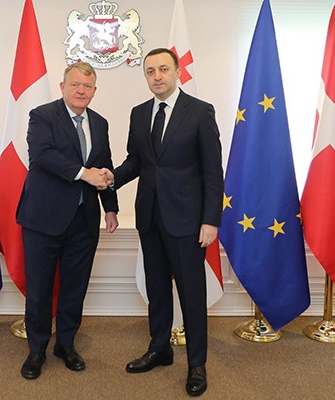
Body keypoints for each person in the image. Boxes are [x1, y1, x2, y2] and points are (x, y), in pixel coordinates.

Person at [106, 48, 223, 397]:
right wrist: (111, 178)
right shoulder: (140, 113)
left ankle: (197, 363)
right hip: (150, 217)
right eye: (150, 71)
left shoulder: (200, 111)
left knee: (191, 294)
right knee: (157, 289)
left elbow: (212, 171)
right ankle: (160, 349)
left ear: (177, 72)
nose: (157, 76)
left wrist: (210, 220)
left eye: (163, 69)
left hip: (188, 221)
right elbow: (137, 162)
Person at [17, 62, 118, 380]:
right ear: (62, 87)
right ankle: (36, 350)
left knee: (75, 287)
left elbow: (104, 165)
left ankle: (66, 344)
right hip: (43, 220)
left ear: (94, 91)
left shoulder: (99, 123)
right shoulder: (42, 116)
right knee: (40, 289)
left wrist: (110, 208)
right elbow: (43, 155)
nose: (80, 91)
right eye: (75, 85)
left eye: (87, 86)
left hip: (83, 222)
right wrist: (84, 173)